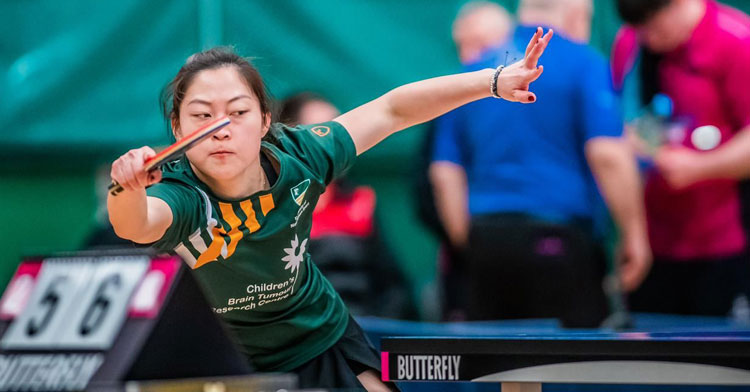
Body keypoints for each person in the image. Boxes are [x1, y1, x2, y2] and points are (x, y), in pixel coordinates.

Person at [107, 28, 552, 390]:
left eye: (236, 113)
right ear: (177, 126)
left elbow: (393, 110)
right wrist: (125, 188)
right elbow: (138, 224)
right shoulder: (182, 193)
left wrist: (492, 82)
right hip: (223, 358)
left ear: (265, 121)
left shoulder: (302, 156)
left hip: (318, 336)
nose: (219, 130)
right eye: (201, 116)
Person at [430, 0, 650, 328]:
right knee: (568, 368)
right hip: (559, 240)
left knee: (494, 367)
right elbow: (607, 154)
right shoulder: (584, 63)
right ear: (576, 13)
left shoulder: (476, 73)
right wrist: (634, 234)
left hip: (487, 240)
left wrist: (470, 242)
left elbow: (444, 171)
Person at [612, 0, 750, 316]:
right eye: (640, 29)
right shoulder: (629, 42)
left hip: (724, 245)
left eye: (655, 27)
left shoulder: (736, 40)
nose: (647, 38)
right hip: (653, 247)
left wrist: (700, 168)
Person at [278, 92, 417, 319]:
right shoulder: (272, 210)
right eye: (320, 131)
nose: (332, 141)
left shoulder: (360, 202)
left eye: (337, 130)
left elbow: (392, 287)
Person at [417, 1, 514, 321]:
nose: (470, 57)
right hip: (469, 263)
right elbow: (434, 182)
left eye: (483, 45)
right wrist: (466, 244)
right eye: (463, 46)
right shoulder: (449, 105)